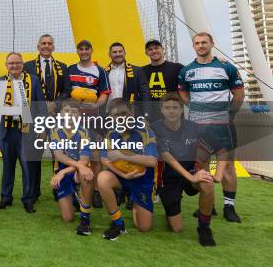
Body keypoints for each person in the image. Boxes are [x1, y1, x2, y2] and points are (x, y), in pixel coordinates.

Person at [178, 32, 245, 223]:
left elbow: (239, 95)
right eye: (197, 43)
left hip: (223, 126)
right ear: (193, 46)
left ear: (212, 44)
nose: (201, 46)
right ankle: (209, 204)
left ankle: (229, 207)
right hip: (199, 126)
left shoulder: (226, 67)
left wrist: (229, 115)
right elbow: (183, 92)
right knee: (202, 166)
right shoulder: (187, 71)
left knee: (228, 166)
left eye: (204, 42)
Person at [152, 93, 216, 246]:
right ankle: (172, 205)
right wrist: (191, 176)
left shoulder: (193, 127)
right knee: (177, 228)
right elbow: (166, 156)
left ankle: (204, 228)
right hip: (168, 179)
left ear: (182, 110)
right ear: (161, 110)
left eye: (175, 107)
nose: (171, 111)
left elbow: (216, 150)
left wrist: (211, 173)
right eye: (167, 108)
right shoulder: (155, 127)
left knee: (207, 182)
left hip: (190, 174)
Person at [0, 52, 46, 213]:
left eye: (17, 63)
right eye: (11, 63)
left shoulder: (33, 80)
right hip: (7, 129)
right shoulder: (1, 81)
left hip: (26, 129)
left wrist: (42, 126)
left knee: (27, 166)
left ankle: (28, 199)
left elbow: (41, 105)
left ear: (22, 64)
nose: (14, 66)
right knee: (7, 166)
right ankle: (5, 197)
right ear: (6, 65)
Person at [60, 39, 111, 208]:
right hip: (74, 119)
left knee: (95, 155)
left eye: (86, 49)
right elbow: (67, 92)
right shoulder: (71, 69)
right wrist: (73, 106)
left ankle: (96, 191)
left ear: (91, 50)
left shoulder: (100, 70)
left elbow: (104, 93)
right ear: (77, 51)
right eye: (80, 49)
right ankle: (76, 188)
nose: (83, 51)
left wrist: (95, 105)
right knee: (74, 154)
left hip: (93, 118)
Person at [98, 98, 157, 241]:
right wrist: (123, 176)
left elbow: (152, 161)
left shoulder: (145, 131)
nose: (120, 119)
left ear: (132, 113)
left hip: (142, 178)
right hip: (122, 177)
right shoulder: (111, 133)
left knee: (143, 228)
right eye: (115, 116)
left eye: (124, 114)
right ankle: (118, 222)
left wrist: (121, 154)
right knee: (102, 178)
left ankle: (136, 200)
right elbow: (105, 159)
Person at [104, 41, 150, 208]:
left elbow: (145, 94)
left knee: (133, 152)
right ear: (110, 55)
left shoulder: (137, 71)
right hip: (111, 118)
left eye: (120, 51)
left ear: (124, 52)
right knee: (114, 152)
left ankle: (133, 193)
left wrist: (145, 116)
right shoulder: (104, 71)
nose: (117, 54)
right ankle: (119, 191)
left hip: (131, 117)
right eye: (114, 52)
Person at [24, 34, 67, 201]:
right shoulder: (27, 66)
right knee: (34, 155)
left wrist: (54, 104)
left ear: (53, 47)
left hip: (57, 117)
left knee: (60, 155)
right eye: (43, 43)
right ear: (38, 46)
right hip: (36, 119)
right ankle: (33, 192)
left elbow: (67, 91)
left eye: (49, 44)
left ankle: (60, 191)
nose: (46, 46)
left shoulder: (62, 67)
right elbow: (25, 91)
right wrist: (42, 107)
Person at [49, 100, 94, 235]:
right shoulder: (55, 130)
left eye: (74, 112)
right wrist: (62, 171)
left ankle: (85, 219)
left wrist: (63, 171)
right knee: (67, 218)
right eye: (67, 111)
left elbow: (84, 160)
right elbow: (59, 156)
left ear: (79, 115)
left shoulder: (84, 131)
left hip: (78, 169)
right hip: (66, 167)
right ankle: (75, 197)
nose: (70, 114)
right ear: (61, 114)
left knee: (84, 175)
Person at [139, 39, 184, 123]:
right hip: (151, 117)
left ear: (163, 49)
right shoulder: (141, 71)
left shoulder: (177, 68)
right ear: (146, 53)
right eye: (150, 49)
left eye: (156, 48)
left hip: (173, 116)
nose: (154, 51)